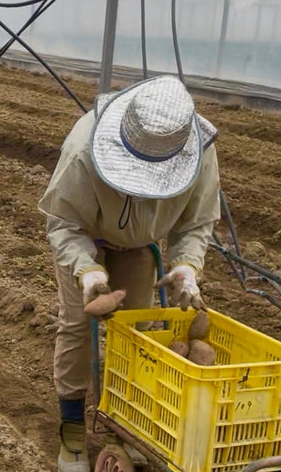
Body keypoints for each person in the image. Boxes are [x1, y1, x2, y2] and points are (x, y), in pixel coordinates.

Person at [38, 75, 221, 472]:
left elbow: (196, 222)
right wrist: (87, 272)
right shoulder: (82, 151)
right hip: (85, 236)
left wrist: (187, 266)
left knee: (136, 334)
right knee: (76, 327)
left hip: (140, 244)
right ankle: (71, 434)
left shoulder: (198, 152)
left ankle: (127, 426)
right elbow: (65, 224)